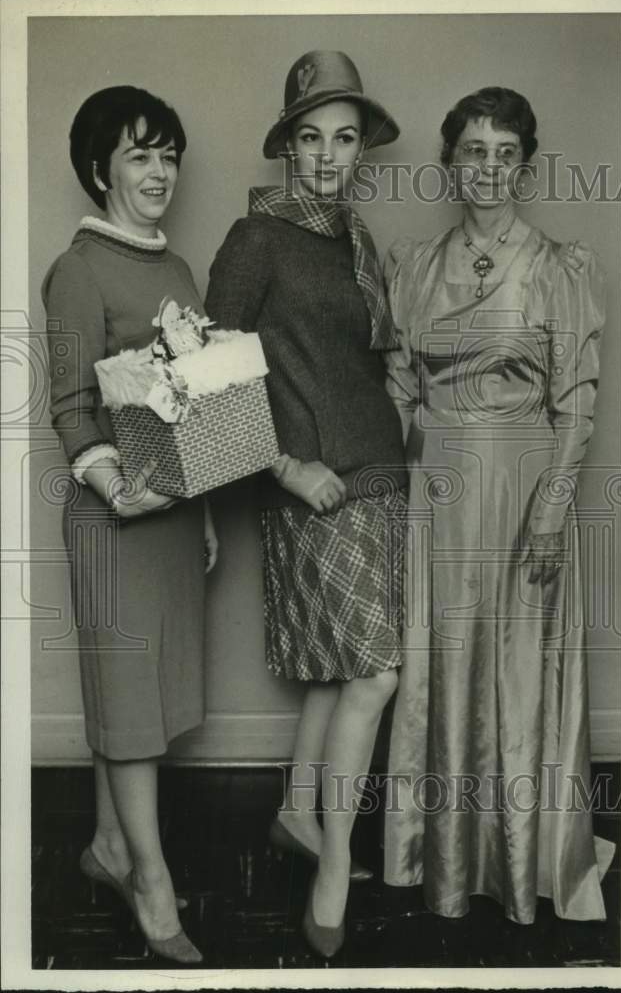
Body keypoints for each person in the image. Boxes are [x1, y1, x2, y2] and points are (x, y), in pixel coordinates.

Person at [383, 86, 615, 924]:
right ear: (450, 161)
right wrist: (433, 453)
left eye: (504, 152)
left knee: (516, 676)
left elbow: (577, 403)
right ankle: (445, 860)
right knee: (443, 669)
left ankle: (522, 859)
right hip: (442, 496)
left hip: (524, 492)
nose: (488, 167)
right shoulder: (416, 265)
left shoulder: (557, 267)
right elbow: (400, 380)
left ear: (524, 162)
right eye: (473, 150)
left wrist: (550, 512)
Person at [205, 50, 407, 957]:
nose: (328, 156)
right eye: (311, 137)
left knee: (339, 670)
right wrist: (286, 471)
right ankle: (333, 868)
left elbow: (368, 365)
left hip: (379, 475)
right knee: (376, 676)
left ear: (361, 147)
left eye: (345, 138)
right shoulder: (258, 238)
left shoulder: (356, 238)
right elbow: (211, 381)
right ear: (287, 144)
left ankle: (297, 811)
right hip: (313, 486)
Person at [42, 85, 216, 963]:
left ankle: (110, 847)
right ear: (99, 167)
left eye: (168, 153)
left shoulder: (177, 270)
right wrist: (116, 491)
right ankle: (151, 883)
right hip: (116, 525)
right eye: (140, 154)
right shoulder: (78, 269)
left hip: (176, 520)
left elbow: (198, 409)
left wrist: (207, 503)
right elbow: (70, 407)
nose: (159, 171)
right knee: (130, 707)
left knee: (137, 706)